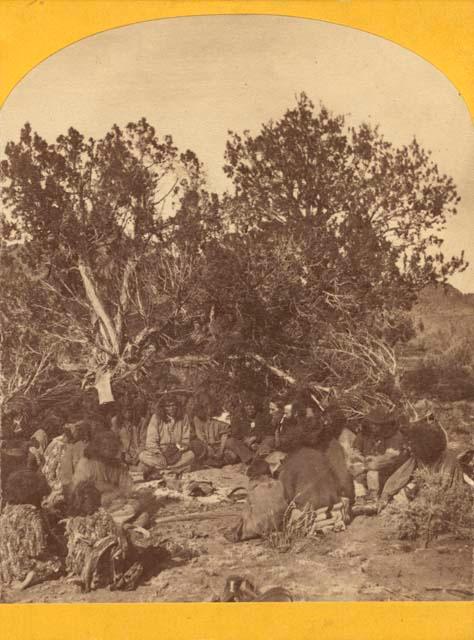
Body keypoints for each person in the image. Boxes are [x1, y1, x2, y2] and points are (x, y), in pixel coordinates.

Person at [379, 409, 465, 508]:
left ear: (424, 444)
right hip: (423, 490)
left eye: (412, 444)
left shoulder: (448, 459)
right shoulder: (419, 456)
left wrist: (419, 501)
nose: (409, 448)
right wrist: (385, 495)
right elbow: (400, 476)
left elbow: (444, 486)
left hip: (438, 497)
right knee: (405, 492)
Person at [0, 469, 63, 589]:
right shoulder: (33, 515)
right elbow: (38, 551)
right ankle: (29, 579)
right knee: (57, 563)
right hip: (24, 568)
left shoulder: (6, 512)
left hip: (6, 567)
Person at [72, 430, 143, 525]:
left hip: (115, 505)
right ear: (99, 448)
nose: (114, 451)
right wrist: (111, 490)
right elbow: (80, 494)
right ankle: (117, 524)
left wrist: (122, 493)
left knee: (137, 505)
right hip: (92, 508)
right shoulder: (86, 463)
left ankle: (119, 524)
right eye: (108, 448)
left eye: (114, 448)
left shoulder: (116, 464)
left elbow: (128, 488)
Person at [349, 407, 409, 512]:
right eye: (371, 423)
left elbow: (390, 458)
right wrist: (359, 460)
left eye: (377, 424)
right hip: (366, 469)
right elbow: (355, 452)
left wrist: (372, 462)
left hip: (387, 474)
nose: (373, 426)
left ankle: (373, 499)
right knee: (355, 469)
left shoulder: (394, 436)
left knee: (373, 471)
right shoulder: (364, 434)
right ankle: (360, 497)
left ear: (385, 424)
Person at [138, 395, 195, 480]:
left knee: (191, 455)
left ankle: (163, 470)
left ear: (177, 406)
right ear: (163, 407)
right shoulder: (156, 417)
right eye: (168, 406)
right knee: (142, 456)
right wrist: (159, 454)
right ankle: (174, 470)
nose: (171, 408)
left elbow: (185, 439)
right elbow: (151, 441)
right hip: (160, 452)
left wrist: (178, 451)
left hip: (176, 451)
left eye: (173, 405)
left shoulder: (184, 417)